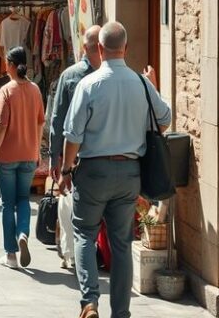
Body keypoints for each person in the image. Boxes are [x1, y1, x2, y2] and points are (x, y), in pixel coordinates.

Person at [61, 22, 171, 318]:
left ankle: (89, 301)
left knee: (84, 233)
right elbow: (164, 119)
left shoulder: (89, 84)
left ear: (99, 49)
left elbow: (73, 136)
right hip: (129, 173)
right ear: (126, 48)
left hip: (93, 172)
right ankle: (121, 312)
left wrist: (65, 171)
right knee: (121, 243)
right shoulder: (141, 84)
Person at [0, 46, 45, 269]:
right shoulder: (35, 90)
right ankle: (23, 234)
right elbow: (40, 123)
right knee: (23, 199)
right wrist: (37, 150)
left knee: (7, 204)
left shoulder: (6, 90)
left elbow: (1, 126)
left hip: (7, 156)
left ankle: (11, 254)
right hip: (29, 154)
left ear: (11, 64)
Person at [49, 25, 102, 269]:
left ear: (84, 47)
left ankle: (72, 255)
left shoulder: (70, 76)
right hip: (101, 156)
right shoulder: (110, 77)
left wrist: (56, 158)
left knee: (71, 206)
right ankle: (89, 255)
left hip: (76, 157)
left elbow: (58, 119)